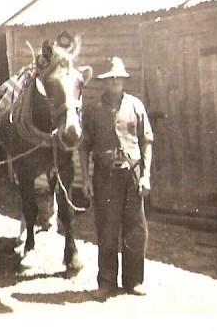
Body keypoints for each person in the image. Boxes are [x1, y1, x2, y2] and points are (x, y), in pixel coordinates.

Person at [78, 56, 154, 300]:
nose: (114, 83)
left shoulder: (135, 106)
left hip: (132, 175)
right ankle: (107, 282)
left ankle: (134, 281)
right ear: (104, 83)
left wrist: (146, 176)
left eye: (118, 79)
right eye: (110, 80)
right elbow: (84, 146)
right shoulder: (93, 109)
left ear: (123, 80)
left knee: (135, 229)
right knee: (107, 229)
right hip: (105, 176)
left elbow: (147, 142)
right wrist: (86, 179)